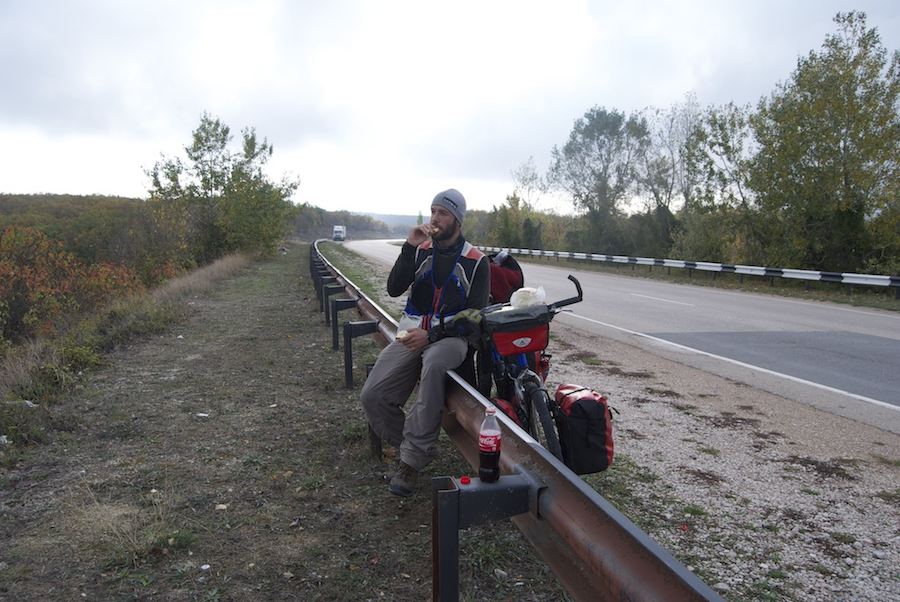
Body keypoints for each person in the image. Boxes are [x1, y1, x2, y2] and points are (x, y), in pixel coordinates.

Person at [361, 188, 490, 497]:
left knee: (433, 364)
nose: (435, 217)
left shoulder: (476, 261)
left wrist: (431, 336)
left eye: (443, 212)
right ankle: (414, 444)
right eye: (432, 211)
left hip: (451, 339)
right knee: (372, 396)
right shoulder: (421, 250)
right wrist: (409, 247)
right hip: (411, 333)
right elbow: (393, 289)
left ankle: (411, 462)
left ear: (457, 219)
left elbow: (475, 316)